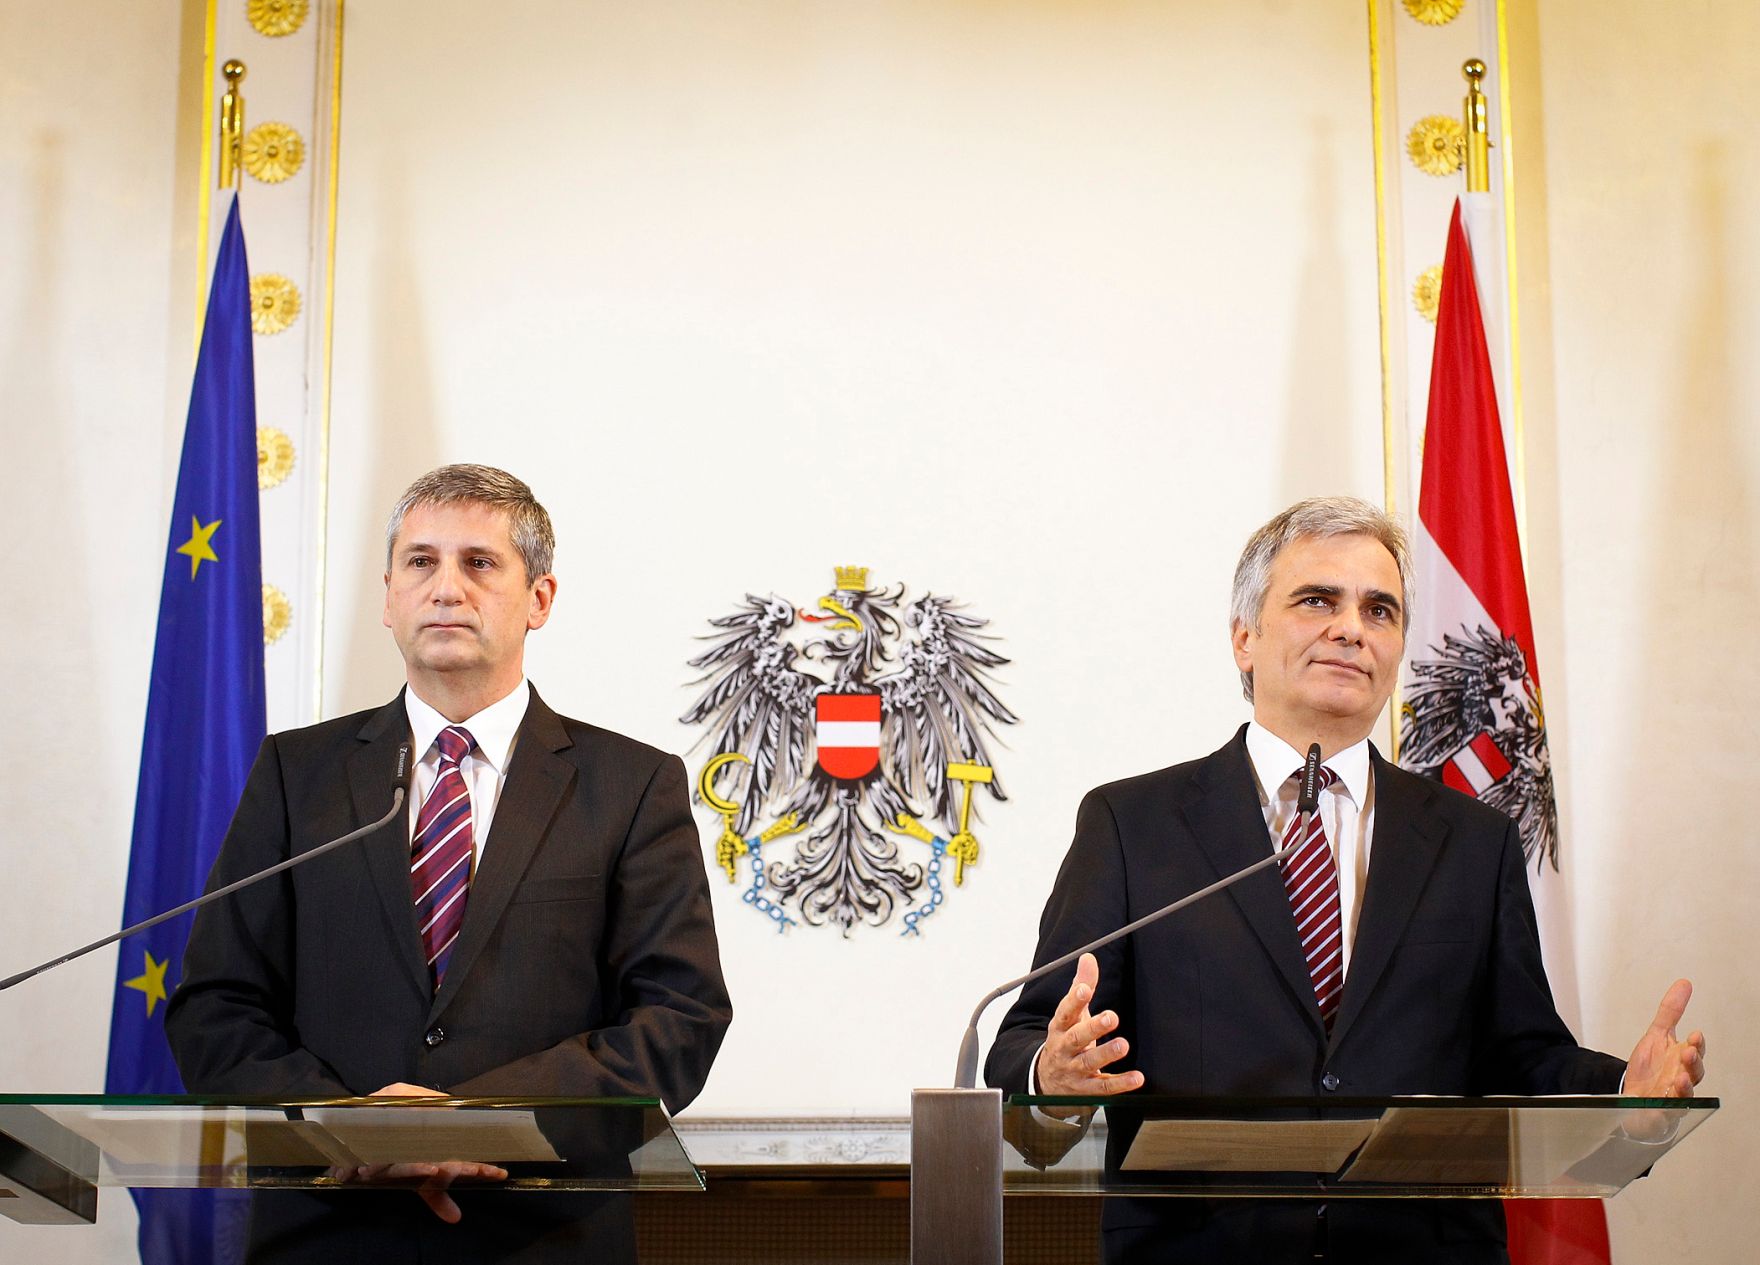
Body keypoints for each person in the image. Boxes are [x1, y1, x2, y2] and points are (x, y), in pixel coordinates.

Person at [985, 496, 1706, 1265]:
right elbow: (1025, 1041)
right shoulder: (1133, 825)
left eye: (1379, 609)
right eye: (1317, 600)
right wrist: (1051, 1071)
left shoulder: (1473, 840)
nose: (1352, 627)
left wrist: (1623, 1092)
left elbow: (1521, 1054)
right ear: (1244, 638)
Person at [166, 464, 732, 1263]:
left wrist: (473, 1119)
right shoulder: (298, 774)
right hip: (328, 1236)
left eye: (479, 562)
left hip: (540, 1237)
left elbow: (680, 1018)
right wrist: (349, 1131)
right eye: (421, 562)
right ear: (389, 596)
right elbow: (216, 1005)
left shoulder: (633, 784)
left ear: (540, 599)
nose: (446, 588)